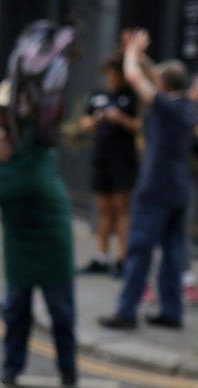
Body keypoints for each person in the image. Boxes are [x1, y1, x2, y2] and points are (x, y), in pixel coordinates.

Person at [0, 80, 77, 388]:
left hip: (52, 235)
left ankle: (69, 369)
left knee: (61, 311)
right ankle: (12, 367)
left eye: (6, 109)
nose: (1, 115)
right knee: (15, 310)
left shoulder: (38, 141)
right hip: (17, 239)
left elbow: (56, 112)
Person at [99, 31, 197, 330]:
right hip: (181, 189)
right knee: (174, 251)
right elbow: (159, 75)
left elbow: (134, 77)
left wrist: (131, 52)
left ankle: (126, 311)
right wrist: (141, 55)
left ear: (162, 85)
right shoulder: (188, 107)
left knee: (140, 249)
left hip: (155, 187)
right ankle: (171, 311)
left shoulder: (164, 106)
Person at [78, 56, 142, 276]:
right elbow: (83, 123)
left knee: (122, 209)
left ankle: (123, 259)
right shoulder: (98, 95)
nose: (112, 78)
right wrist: (97, 119)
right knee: (104, 208)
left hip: (123, 159)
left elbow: (140, 126)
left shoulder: (130, 96)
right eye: (109, 73)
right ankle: (102, 256)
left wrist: (121, 118)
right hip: (102, 157)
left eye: (116, 73)